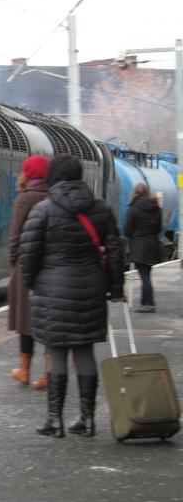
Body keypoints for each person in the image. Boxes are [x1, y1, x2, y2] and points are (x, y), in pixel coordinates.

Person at [19, 154, 124, 438]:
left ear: (54, 177)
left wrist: (30, 284)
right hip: (90, 289)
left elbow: (28, 254)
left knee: (57, 352)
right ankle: (87, 420)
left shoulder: (43, 210)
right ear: (80, 176)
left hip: (52, 290)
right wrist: (116, 290)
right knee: (85, 351)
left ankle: (55, 420)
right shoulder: (101, 210)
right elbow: (115, 252)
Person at [7, 155, 50, 389]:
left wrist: (15, 262)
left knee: (26, 322)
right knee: (48, 321)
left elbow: (15, 236)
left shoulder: (25, 199)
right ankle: (46, 374)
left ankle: (24, 370)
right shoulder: (54, 196)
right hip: (52, 267)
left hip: (27, 267)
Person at [124, 182, 162, 313]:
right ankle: (145, 301)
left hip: (139, 245)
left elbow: (127, 229)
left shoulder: (133, 208)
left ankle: (148, 303)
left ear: (135, 193)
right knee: (146, 274)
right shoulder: (155, 207)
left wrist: (132, 236)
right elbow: (158, 227)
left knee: (144, 275)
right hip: (152, 243)